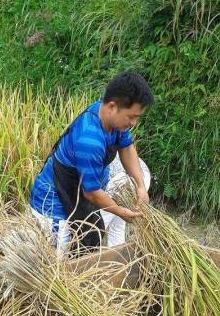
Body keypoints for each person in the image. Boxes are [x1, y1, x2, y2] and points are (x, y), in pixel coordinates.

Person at [29, 72, 154, 256]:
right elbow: (92, 192)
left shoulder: (111, 119)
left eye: (137, 117)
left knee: (90, 241)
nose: (133, 123)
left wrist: (141, 186)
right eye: (131, 117)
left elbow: (126, 148)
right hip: (55, 205)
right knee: (62, 263)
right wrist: (119, 211)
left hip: (80, 192)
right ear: (112, 106)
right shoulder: (90, 139)